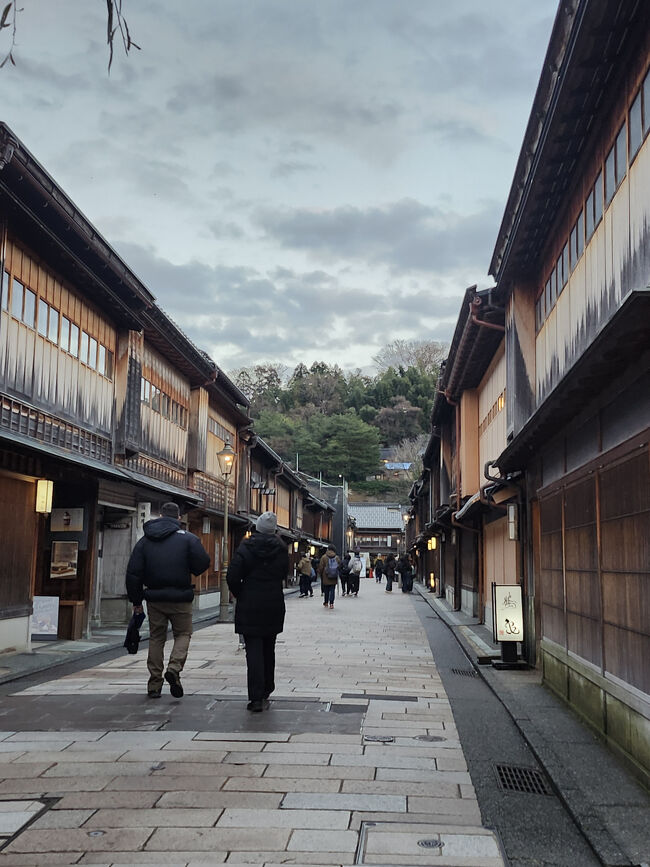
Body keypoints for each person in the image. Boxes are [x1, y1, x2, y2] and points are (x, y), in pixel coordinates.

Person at [126, 502, 210, 699]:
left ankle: (154, 684)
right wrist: (190, 569)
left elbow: (133, 573)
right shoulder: (188, 539)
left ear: (161, 516)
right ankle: (174, 667)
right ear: (178, 518)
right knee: (183, 634)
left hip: (155, 597)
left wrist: (136, 601)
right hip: (181, 596)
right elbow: (203, 562)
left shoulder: (145, 542)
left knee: (157, 638)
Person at [227, 511, 289, 712]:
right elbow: (284, 573)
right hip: (273, 601)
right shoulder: (281, 549)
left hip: (250, 602)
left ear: (258, 527)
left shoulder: (246, 546)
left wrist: (239, 593)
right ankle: (266, 688)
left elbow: (233, 575)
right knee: (268, 647)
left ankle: (255, 697)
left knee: (253, 650)